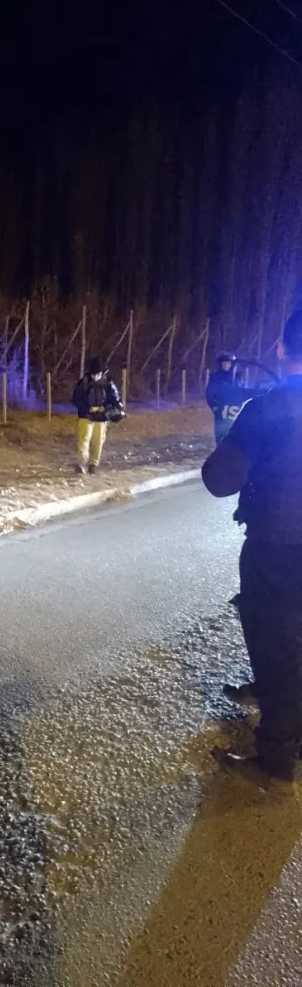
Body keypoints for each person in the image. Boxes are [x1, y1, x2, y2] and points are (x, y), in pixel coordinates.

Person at [202, 309, 302, 785]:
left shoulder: (268, 408)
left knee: (277, 641)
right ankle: (273, 696)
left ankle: (278, 757)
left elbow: (220, 480)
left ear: (282, 349)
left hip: (279, 545)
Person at [72, 357, 124, 475]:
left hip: (102, 414)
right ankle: (82, 463)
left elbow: (115, 399)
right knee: (84, 438)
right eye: (93, 374)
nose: (95, 376)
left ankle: (93, 464)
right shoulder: (83, 383)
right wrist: (86, 408)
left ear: (102, 372)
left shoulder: (108, 383)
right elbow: (76, 399)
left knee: (98, 440)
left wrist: (116, 409)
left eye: (97, 373)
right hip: (86, 414)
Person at [206, 353, 249, 446]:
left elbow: (243, 392)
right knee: (221, 434)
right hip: (222, 410)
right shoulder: (215, 377)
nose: (226, 365)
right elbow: (210, 394)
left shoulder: (238, 377)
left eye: (228, 363)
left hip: (236, 409)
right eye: (224, 363)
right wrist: (215, 407)